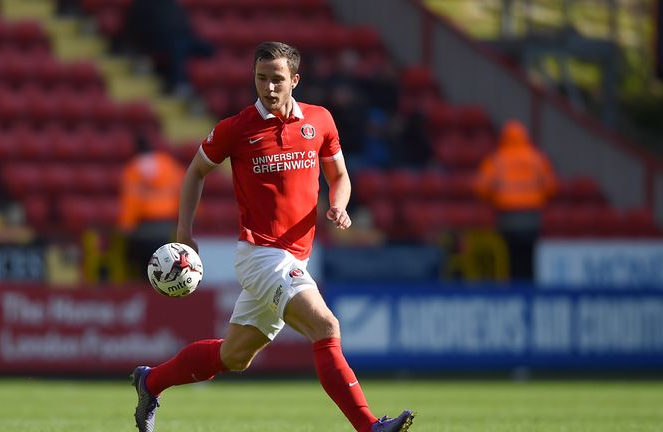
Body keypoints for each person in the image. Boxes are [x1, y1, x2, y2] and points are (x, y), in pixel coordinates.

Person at [130, 41, 415, 432]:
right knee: (326, 327)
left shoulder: (320, 121)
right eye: (261, 78)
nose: (268, 87)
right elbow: (195, 171)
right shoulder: (236, 128)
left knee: (235, 356)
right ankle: (369, 426)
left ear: (294, 80)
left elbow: (340, 178)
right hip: (261, 255)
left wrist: (340, 205)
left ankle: (151, 381)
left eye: (277, 79)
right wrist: (184, 233)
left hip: (295, 257)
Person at [473, 120, 558, 280]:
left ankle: (514, 291)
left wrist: (496, 197)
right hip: (532, 218)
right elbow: (551, 187)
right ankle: (530, 291)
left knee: (510, 260)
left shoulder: (496, 160)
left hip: (507, 218)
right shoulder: (537, 159)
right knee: (529, 259)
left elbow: (481, 188)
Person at [117, 148, 186, 279]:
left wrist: (126, 226)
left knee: (145, 270)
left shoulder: (133, 168)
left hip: (143, 230)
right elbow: (185, 190)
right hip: (167, 227)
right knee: (167, 270)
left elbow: (131, 201)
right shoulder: (168, 164)